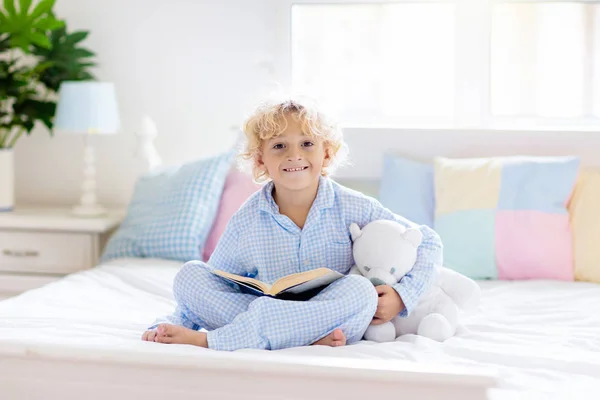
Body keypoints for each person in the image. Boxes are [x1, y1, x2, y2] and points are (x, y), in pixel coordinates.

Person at [141, 97, 443, 351]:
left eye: (307, 143)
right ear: (261, 161)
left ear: (326, 154)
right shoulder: (247, 220)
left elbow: (428, 241)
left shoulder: (354, 205)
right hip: (288, 316)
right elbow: (215, 283)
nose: (294, 155)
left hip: (333, 312)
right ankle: (302, 339)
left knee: (360, 292)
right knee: (189, 276)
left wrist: (404, 295)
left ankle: (214, 342)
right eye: (279, 146)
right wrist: (170, 325)